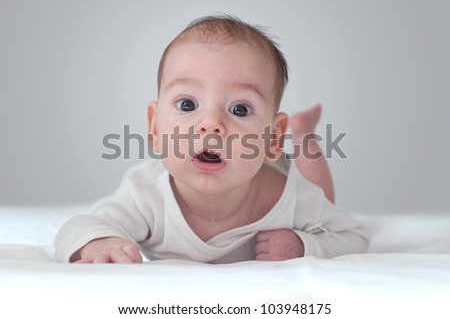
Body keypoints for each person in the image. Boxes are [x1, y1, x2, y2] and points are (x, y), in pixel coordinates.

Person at [54, 15, 367, 264]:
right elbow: (78, 227)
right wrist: (99, 243)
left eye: (240, 109)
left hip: (283, 173)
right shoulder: (145, 195)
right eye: (188, 105)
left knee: (324, 195)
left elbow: (353, 236)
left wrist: (304, 244)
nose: (211, 124)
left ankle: (302, 135)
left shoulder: (289, 196)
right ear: (154, 127)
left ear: (272, 137)